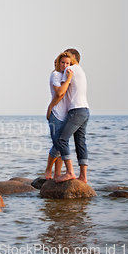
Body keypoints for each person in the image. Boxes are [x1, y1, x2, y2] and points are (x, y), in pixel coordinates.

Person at [52, 48, 90, 183]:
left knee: (60, 139)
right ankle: (83, 176)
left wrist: (51, 107)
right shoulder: (82, 71)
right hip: (85, 110)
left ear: (73, 57)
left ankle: (69, 172)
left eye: (67, 59)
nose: (65, 64)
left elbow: (60, 92)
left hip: (76, 110)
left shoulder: (70, 70)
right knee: (80, 142)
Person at [44, 52, 78, 180]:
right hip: (56, 115)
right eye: (63, 62)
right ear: (58, 63)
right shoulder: (56, 75)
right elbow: (59, 93)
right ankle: (48, 170)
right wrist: (50, 107)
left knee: (62, 146)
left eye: (68, 63)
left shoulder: (67, 75)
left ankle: (57, 173)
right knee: (57, 144)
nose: (65, 65)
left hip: (67, 115)